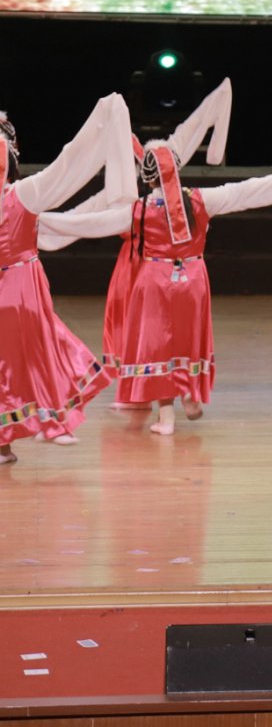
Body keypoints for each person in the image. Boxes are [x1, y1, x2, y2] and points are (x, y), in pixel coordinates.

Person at [38, 144, 272, 437]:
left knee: (158, 346)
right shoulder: (202, 199)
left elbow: (89, 224)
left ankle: (166, 416)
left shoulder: (139, 209)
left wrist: (41, 220)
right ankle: (189, 393)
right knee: (188, 338)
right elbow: (247, 191)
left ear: (147, 177)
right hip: (193, 279)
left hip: (155, 281)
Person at [39, 78, 232, 410]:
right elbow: (92, 213)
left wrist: (46, 226)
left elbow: (196, 123)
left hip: (146, 262)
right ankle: (144, 391)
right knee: (138, 328)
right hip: (137, 259)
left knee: (148, 328)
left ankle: (159, 391)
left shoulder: (154, 165)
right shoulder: (129, 174)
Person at [0, 95, 136, 463]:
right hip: (19, 285)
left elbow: (67, 165)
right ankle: (41, 424)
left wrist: (102, 120)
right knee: (32, 355)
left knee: (18, 359)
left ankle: (25, 433)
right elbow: (68, 164)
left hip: (19, 284)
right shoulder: (23, 193)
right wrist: (102, 121)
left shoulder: (23, 194)